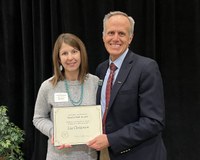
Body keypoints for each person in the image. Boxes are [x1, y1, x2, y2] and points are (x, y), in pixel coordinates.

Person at [87, 11, 167, 160]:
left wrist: (111, 139)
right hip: (107, 154)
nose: (115, 38)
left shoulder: (146, 67)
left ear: (130, 38)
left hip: (141, 154)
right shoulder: (101, 69)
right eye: (111, 33)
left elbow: (154, 121)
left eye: (121, 34)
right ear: (103, 36)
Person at [33, 33, 99, 160]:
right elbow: (38, 118)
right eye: (64, 53)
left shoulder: (95, 83)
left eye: (74, 51)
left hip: (88, 156)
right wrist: (54, 132)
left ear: (81, 53)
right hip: (57, 156)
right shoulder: (48, 86)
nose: (70, 57)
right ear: (58, 59)